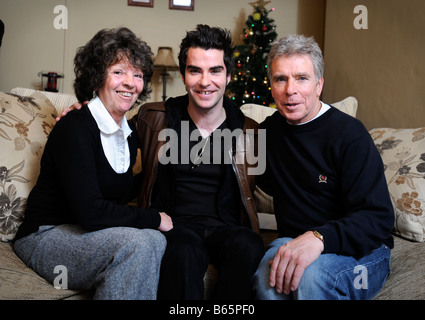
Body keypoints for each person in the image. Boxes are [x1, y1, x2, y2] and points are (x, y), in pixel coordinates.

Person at [14, 27, 173, 300]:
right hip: (45, 236)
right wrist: (154, 217)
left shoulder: (129, 134)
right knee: (139, 243)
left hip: (86, 234)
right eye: (118, 72)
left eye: (137, 75)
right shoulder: (75, 127)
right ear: (98, 77)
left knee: (155, 240)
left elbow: (114, 189)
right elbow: (91, 211)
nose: (130, 83)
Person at [252, 34, 394, 300]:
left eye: (302, 78)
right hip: (293, 240)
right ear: (271, 85)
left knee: (311, 279)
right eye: (280, 79)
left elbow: (378, 218)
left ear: (319, 84)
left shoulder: (350, 135)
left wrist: (318, 238)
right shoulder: (268, 133)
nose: (290, 90)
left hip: (363, 248)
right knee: (267, 277)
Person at [130, 24, 265, 300]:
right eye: (195, 70)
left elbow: (278, 183)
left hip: (226, 229)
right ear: (183, 75)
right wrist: (85, 114)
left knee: (249, 244)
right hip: (174, 227)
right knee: (185, 249)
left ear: (228, 75)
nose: (205, 82)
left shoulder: (249, 130)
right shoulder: (154, 118)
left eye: (215, 70)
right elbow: (110, 137)